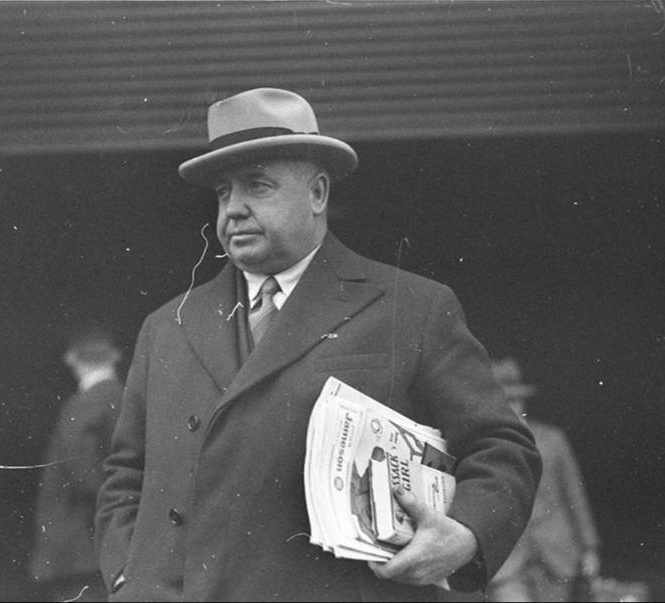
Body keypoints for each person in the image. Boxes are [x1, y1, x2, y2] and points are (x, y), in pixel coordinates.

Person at [96, 87, 541, 602]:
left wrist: (464, 534)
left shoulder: (411, 306)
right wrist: (130, 577)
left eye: (257, 185)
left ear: (318, 194)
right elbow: (125, 474)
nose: (233, 209)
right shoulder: (167, 324)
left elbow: (502, 448)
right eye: (222, 192)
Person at [487, 358, 600, 602]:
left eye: (515, 400)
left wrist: (589, 548)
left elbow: (574, 494)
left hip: (556, 551)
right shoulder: (483, 445)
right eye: (504, 401)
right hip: (507, 559)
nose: (511, 407)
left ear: (523, 400)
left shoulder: (553, 439)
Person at [29, 328, 124, 602]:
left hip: (77, 542)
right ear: (115, 356)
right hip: (108, 542)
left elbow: (82, 472)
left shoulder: (82, 405)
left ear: (71, 358)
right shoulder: (127, 399)